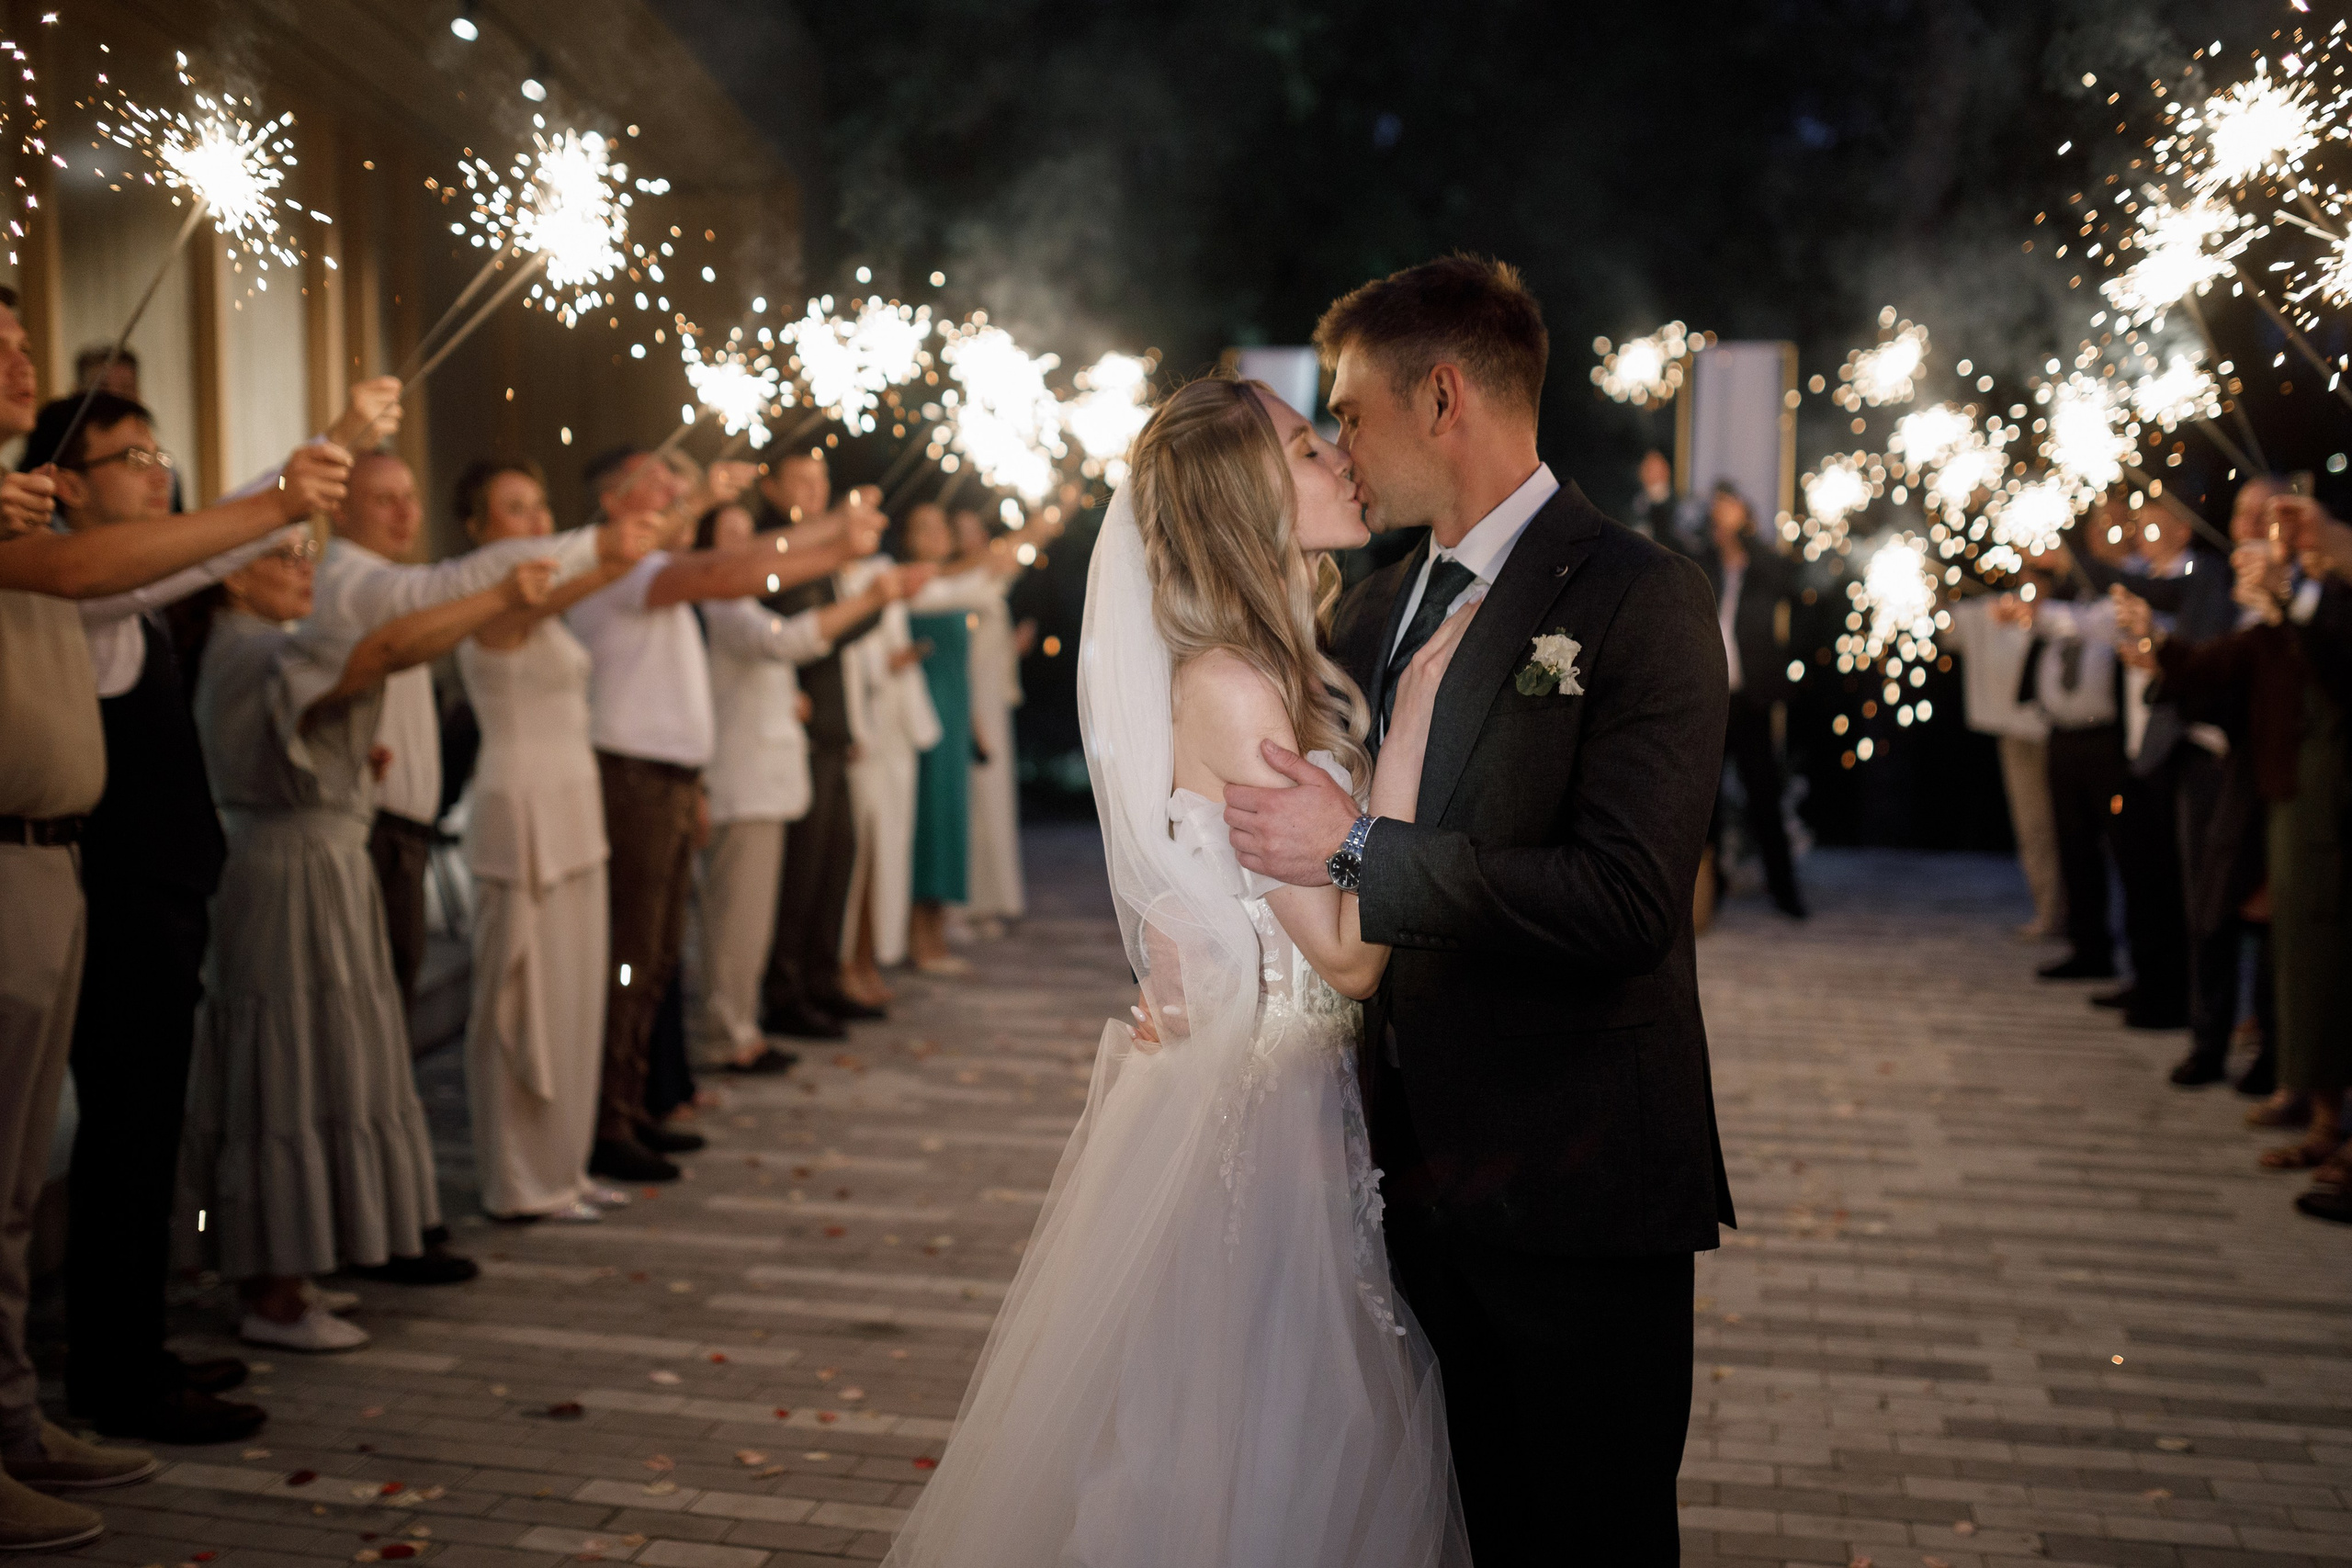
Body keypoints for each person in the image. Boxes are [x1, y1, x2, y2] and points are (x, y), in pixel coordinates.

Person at [884, 374, 1470, 1568]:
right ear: (1247, 497)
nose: (1341, 463)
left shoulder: (1269, 661)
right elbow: (1351, 957)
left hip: (1273, 1090)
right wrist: (1408, 733)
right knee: (1250, 1446)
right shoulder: (1235, 686)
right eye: (1310, 449)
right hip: (1259, 1114)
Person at [1223, 256, 1736, 1562]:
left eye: (1348, 410)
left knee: (1584, 1535)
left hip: (1575, 1188)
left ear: (1441, 394)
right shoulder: (1377, 610)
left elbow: (1629, 899)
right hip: (1393, 1183)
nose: (1339, 443)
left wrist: (1366, 853)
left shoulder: (1638, 596)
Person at [0, 286, 335, 1545]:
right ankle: (92, 1377)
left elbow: (156, 561)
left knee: (100, 1154)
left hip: (87, 883)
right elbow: (119, 563)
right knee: (57, 1161)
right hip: (44, 873)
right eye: (131, 457)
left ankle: (54, 1399)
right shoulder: (55, 543)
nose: (155, 474)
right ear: (71, 478)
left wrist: (274, 499)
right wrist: (276, 492)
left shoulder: (66, 540)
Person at [183, 538, 556, 1351]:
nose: (303, 568)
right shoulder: (246, 646)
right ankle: (268, 1286)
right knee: (280, 1070)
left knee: (318, 1058)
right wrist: (495, 594)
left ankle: (291, 1263)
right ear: (231, 576)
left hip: (316, 866)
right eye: (282, 558)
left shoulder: (261, 645)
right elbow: (377, 650)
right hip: (284, 877)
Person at [565, 448, 876, 1182]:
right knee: (633, 956)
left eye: (684, 483)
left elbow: (733, 567)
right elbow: (732, 570)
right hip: (631, 782)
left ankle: (636, 1101)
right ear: (615, 502)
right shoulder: (622, 571)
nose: (681, 495)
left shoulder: (658, 577)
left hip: (672, 780)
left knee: (658, 956)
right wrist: (832, 538)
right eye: (661, 485)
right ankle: (611, 1116)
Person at [302, 440, 610, 1016]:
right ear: (339, 510)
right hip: (382, 822)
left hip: (414, 821)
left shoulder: (402, 579)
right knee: (382, 1006)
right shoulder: (353, 581)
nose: (404, 513)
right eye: (384, 500)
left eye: (410, 498)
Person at [450, 460, 658, 1223]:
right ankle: (518, 1177)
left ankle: (563, 1166)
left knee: (574, 991)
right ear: (476, 530)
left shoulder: (553, 600)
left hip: (574, 809)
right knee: (519, 996)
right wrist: (607, 558)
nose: (536, 522)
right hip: (521, 811)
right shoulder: (485, 600)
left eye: (541, 506)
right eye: (513, 509)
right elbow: (538, 606)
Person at [695, 501, 922, 1072]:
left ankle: (743, 1025)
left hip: (771, 778)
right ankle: (729, 1030)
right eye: (730, 539)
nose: (745, 551)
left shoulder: (743, 601)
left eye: (752, 538)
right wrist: (869, 598)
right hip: (740, 778)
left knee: (756, 916)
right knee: (735, 919)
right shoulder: (722, 603)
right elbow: (786, 642)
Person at [755, 456, 888, 1037]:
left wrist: (877, 602)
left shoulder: (818, 557)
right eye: (802, 482)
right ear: (770, 487)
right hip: (798, 730)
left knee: (836, 860)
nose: (817, 492)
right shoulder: (772, 551)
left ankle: (820, 978)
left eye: (822, 481)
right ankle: (786, 991)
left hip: (831, 728)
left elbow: (833, 636)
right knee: (801, 871)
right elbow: (800, 636)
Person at [1682, 480, 1804, 917]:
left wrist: (1746, 537)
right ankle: (1704, 897)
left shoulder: (1762, 565)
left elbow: (1795, 582)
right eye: (1717, 510)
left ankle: (1786, 894)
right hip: (1710, 697)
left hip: (1751, 698)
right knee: (1705, 801)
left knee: (1764, 797)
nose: (1722, 517)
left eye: (1729, 509)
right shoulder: (1704, 562)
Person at [839, 545, 944, 990]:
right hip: (868, 730)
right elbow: (853, 657)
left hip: (897, 733)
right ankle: (850, 959)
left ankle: (875, 955)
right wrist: (889, 665)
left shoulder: (882, 572)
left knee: (892, 847)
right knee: (864, 850)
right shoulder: (847, 580)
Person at [1945, 580, 2066, 941]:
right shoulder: (1991, 609)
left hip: (2067, 730)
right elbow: (1945, 627)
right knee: (2034, 827)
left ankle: (2073, 917)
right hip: (2019, 733)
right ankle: (2051, 912)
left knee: (2064, 828)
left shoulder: (2069, 607)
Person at [902, 503, 978, 971]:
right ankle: (918, 937)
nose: (930, 536)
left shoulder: (956, 588)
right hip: (923, 714)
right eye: (919, 527)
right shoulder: (911, 586)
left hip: (953, 712)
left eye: (937, 527)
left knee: (948, 822)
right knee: (925, 824)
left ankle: (937, 931)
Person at [950, 504, 1029, 929]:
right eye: (962, 532)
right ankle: (960, 906)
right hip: (968, 707)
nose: (974, 540)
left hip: (992, 706)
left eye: (976, 529)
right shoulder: (956, 587)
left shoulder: (986, 583)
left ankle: (986, 902)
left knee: (993, 805)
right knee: (972, 805)